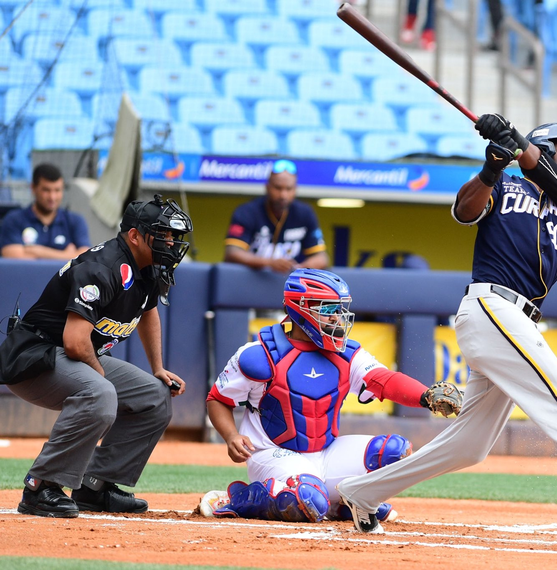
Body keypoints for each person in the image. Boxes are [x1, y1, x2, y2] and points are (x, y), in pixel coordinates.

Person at [335, 115, 557, 553]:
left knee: (470, 445)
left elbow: (556, 183)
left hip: (517, 320)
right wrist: (491, 169)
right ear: (544, 146)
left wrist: (518, 146)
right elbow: (463, 211)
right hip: (493, 307)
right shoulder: (506, 185)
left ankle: (362, 492)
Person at [199, 268, 462, 523]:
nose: (338, 318)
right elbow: (217, 399)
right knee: (308, 500)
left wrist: (426, 396)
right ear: (301, 308)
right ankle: (240, 498)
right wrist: (231, 436)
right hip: (273, 453)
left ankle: (345, 503)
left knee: (396, 452)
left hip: (325, 452)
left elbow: (384, 380)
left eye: (340, 310)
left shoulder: (346, 352)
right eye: (328, 310)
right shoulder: (260, 355)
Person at [0, 195, 193, 518]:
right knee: (100, 393)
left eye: (172, 236)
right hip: (36, 357)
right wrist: (99, 377)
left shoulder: (148, 266)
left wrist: (157, 367)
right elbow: (75, 342)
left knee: (155, 396)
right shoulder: (102, 267)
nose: (171, 243)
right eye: (163, 235)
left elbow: (148, 312)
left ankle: (95, 486)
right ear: (135, 235)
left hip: (73, 356)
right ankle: (41, 487)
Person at [224, 159, 328, 274]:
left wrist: (299, 269)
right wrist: (269, 263)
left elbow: (322, 258)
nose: (283, 195)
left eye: (289, 189)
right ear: (267, 187)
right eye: (278, 188)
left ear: (295, 189)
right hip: (250, 282)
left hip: (289, 285)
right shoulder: (247, 211)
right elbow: (232, 253)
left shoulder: (305, 213)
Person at [0, 163, 90, 259]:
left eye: (57, 190)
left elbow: (85, 258)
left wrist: (36, 251)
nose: (52, 197)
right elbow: (12, 255)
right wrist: (67, 256)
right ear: (33, 188)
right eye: (46, 190)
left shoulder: (75, 221)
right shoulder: (14, 219)